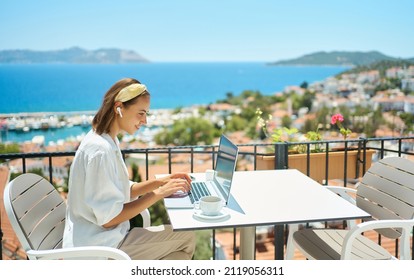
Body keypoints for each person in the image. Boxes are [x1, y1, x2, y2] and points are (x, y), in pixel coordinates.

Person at [63, 77, 196, 260]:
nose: (145, 121)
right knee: (186, 237)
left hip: (108, 239)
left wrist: (162, 182)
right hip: (102, 248)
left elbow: (123, 188)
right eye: (141, 113)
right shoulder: (100, 150)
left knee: (178, 256)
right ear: (119, 108)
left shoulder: (106, 139)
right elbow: (108, 220)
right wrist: (157, 194)